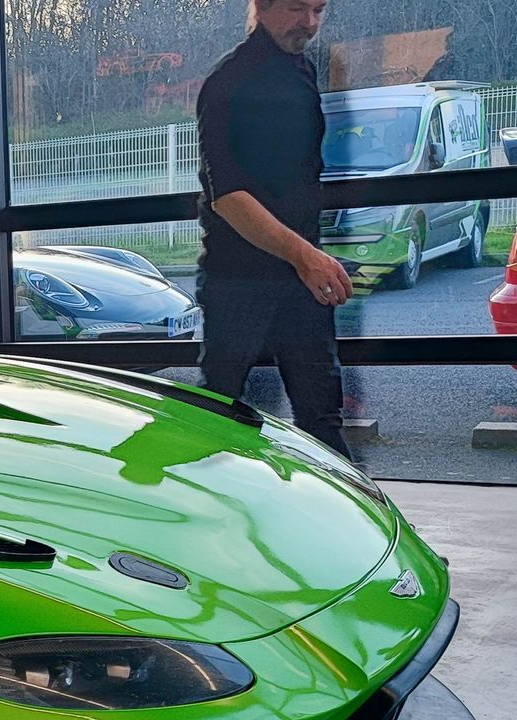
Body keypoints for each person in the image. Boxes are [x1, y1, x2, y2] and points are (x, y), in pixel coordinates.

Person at [196, 0, 353, 458]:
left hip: (300, 275)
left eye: (319, 10)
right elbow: (228, 196)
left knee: (321, 417)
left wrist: (307, 259)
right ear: (261, 7)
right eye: (296, 8)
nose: (310, 23)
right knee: (218, 416)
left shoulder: (303, 71)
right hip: (239, 279)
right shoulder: (227, 81)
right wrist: (306, 257)